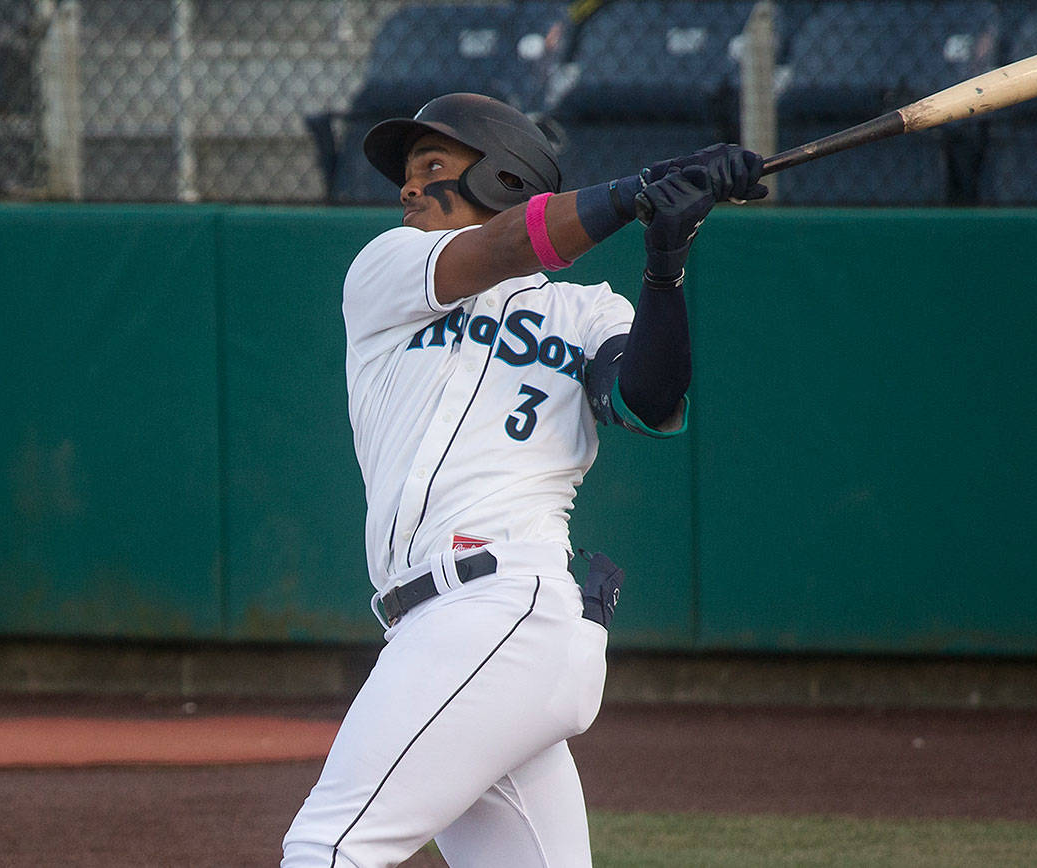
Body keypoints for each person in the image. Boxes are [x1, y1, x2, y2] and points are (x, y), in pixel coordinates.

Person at [281, 92, 765, 868]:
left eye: (432, 167)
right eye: (407, 173)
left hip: (498, 606)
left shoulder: (585, 312)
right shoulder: (389, 268)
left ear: (505, 177)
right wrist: (633, 192)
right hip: (449, 628)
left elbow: (647, 402)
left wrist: (664, 269)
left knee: (327, 848)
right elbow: (502, 249)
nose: (408, 188)